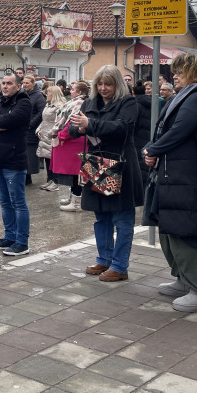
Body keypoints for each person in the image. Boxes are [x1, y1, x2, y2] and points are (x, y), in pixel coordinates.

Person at [142, 52, 197, 312]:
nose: (175, 76)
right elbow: (165, 131)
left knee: (189, 233)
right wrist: (151, 148)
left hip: (190, 177)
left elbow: (178, 131)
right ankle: (184, 279)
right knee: (172, 230)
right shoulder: (184, 97)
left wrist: (153, 150)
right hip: (176, 175)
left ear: (196, 73)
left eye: (180, 71)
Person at [68, 65, 143, 282]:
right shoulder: (89, 102)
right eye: (99, 84)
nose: (103, 88)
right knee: (101, 216)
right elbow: (72, 128)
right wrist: (79, 128)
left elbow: (122, 128)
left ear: (117, 85)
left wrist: (90, 124)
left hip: (120, 165)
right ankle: (104, 259)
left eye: (108, 84)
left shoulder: (128, 102)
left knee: (122, 218)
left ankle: (120, 266)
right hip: (95, 164)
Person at [0, 72, 32, 256]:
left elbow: (10, 120)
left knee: (18, 202)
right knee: (4, 202)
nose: (5, 86)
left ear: (18, 86)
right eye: (3, 83)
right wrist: (0, 125)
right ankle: (9, 237)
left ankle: (22, 242)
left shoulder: (23, 103)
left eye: (9, 83)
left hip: (14, 160)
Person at [51, 80, 89, 210]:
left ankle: (76, 202)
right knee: (74, 174)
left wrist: (60, 135)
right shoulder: (75, 102)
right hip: (72, 142)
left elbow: (73, 123)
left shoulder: (80, 103)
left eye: (72, 89)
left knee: (77, 173)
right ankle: (73, 197)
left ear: (79, 92)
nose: (70, 91)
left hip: (75, 142)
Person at [37, 86, 64, 192]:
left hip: (52, 135)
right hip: (44, 134)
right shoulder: (48, 105)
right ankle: (50, 179)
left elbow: (60, 122)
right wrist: (38, 130)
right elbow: (44, 120)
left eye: (48, 92)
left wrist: (51, 132)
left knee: (54, 159)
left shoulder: (59, 106)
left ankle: (56, 181)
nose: (46, 94)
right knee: (47, 158)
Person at [22, 75, 45, 186]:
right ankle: (25, 176)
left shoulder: (38, 96)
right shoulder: (23, 94)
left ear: (33, 84)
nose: (25, 85)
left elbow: (41, 112)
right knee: (23, 154)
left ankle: (28, 177)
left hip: (31, 130)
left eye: (27, 83)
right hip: (22, 129)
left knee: (30, 154)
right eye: (24, 83)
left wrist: (31, 124)